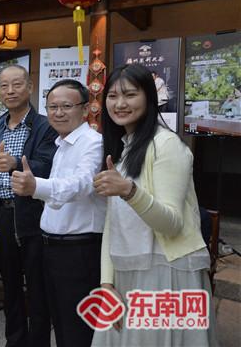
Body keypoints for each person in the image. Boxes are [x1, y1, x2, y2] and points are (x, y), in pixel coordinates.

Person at [91, 64, 218, 346]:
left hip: (165, 271)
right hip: (128, 267)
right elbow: (113, 223)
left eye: (130, 95)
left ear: (149, 97)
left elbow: (172, 224)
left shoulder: (167, 144)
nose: (120, 103)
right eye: (112, 96)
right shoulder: (124, 148)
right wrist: (106, 282)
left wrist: (129, 190)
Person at [11, 79, 106, 347]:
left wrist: (35, 186)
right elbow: (58, 197)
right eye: (52, 107)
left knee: (77, 327)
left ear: (85, 109)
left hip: (79, 250)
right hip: (52, 247)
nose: (58, 113)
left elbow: (82, 184)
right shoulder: (62, 142)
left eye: (66, 106)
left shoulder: (93, 143)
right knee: (60, 320)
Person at [0, 65, 57, 347]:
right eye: (4, 86)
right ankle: (14, 339)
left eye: (17, 84)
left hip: (32, 214)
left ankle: (38, 341)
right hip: (2, 213)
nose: (10, 91)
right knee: (11, 284)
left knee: (37, 287)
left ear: (29, 87)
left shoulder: (45, 126)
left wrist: (16, 164)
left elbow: (50, 166)